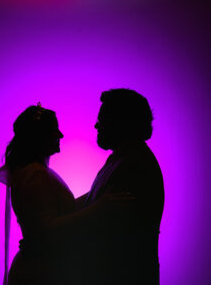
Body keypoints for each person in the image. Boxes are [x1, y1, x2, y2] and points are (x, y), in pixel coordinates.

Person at [77, 89, 165, 284]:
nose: (96, 125)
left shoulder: (135, 164)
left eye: (103, 119)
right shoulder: (123, 159)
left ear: (123, 124)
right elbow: (94, 201)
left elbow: (106, 227)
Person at [0, 104, 77, 285]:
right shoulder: (35, 174)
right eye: (54, 130)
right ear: (39, 137)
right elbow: (46, 227)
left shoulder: (33, 171)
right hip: (38, 273)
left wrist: (93, 196)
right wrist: (99, 207)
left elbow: (54, 210)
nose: (60, 135)